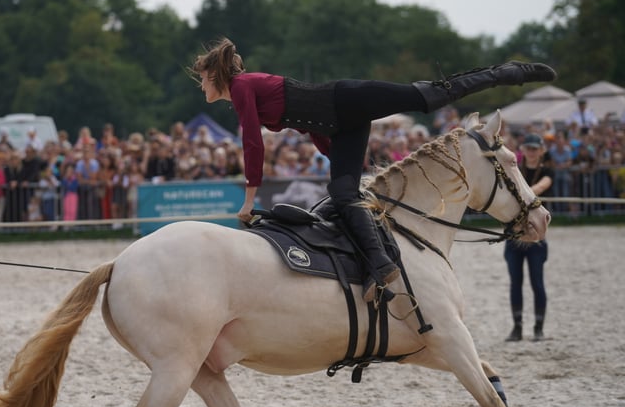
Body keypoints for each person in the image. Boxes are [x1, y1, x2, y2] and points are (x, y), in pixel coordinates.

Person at [190, 37, 557, 301]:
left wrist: (249, 198)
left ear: (214, 75)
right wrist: (341, 162)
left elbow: (252, 143)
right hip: (341, 124)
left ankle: (508, 72)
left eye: (202, 79)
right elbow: (308, 123)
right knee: (344, 193)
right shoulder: (243, 91)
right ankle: (381, 265)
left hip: (347, 99)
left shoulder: (241, 86)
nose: (201, 86)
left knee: (430, 97)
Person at [504, 134, 554, 342]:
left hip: (536, 238)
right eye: (528, 148)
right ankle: (517, 327)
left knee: (537, 283)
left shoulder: (547, 171)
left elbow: (541, 187)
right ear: (522, 150)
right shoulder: (514, 171)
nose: (531, 152)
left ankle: (538, 328)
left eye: (535, 148)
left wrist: (520, 195)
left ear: (541, 150)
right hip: (514, 236)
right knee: (515, 283)